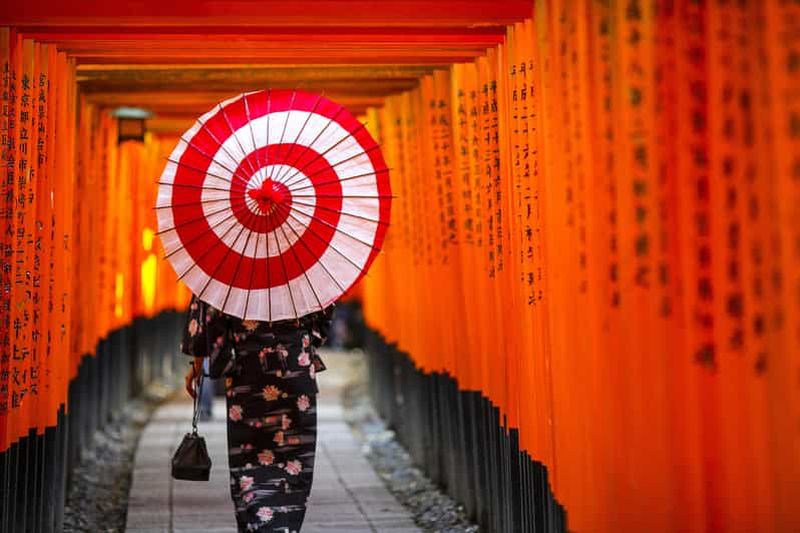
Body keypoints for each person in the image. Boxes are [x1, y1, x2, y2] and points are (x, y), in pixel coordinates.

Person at [181, 293, 333, 533]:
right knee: (293, 459)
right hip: (295, 371)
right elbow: (324, 311)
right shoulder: (299, 276)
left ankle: (257, 522)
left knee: (249, 460)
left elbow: (209, 316)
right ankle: (284, 526)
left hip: (248, 376)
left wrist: (200, 361)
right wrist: (302, 338)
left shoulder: (229, 275)